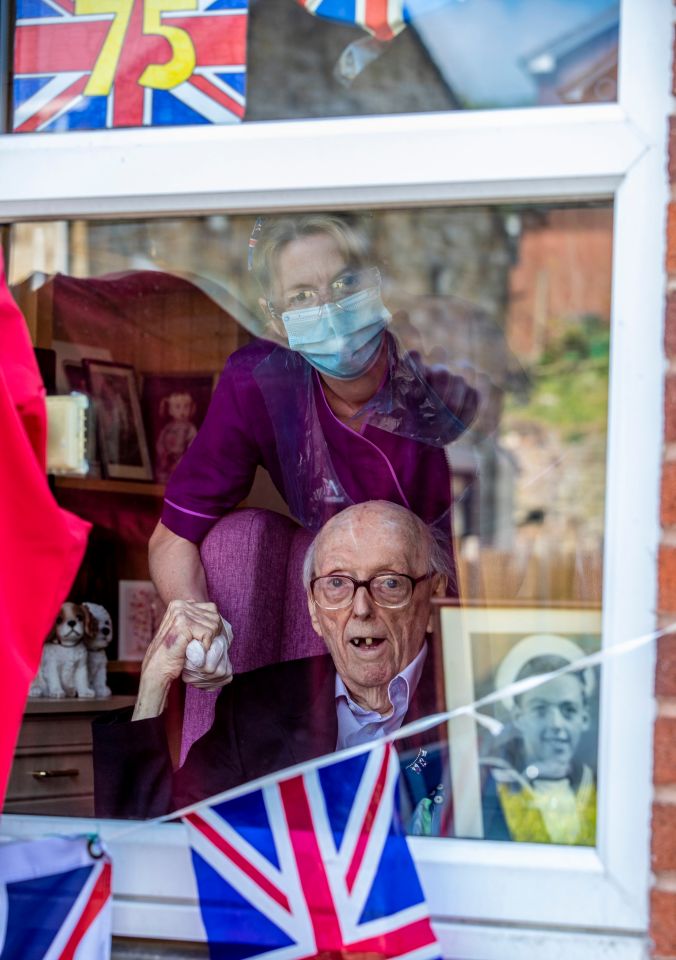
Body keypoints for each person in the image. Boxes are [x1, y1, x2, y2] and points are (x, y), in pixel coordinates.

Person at [148, 215, 479, 628]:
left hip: (464, 610)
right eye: (302, 296)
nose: (330, 310)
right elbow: (174, 536)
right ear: (274, 320)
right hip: (346, 627)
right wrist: (195, 623)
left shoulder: (438, 361)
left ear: (378, 283)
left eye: (345, 285)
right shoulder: (260, 384)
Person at [94, 501, 496, 836]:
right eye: (336, 584)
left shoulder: (483, 704)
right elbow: (153, 841)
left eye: (390, 583)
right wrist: (153, 685)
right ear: (314, 610)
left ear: (434, 597)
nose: (361, 608)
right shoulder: (254, 708)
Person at [480, 644, 596, 846]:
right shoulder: (491, 785)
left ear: (584, 718)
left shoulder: (599, 787)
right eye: (540, 710)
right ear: (518, 717)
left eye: (568, 710)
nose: (556, 724)